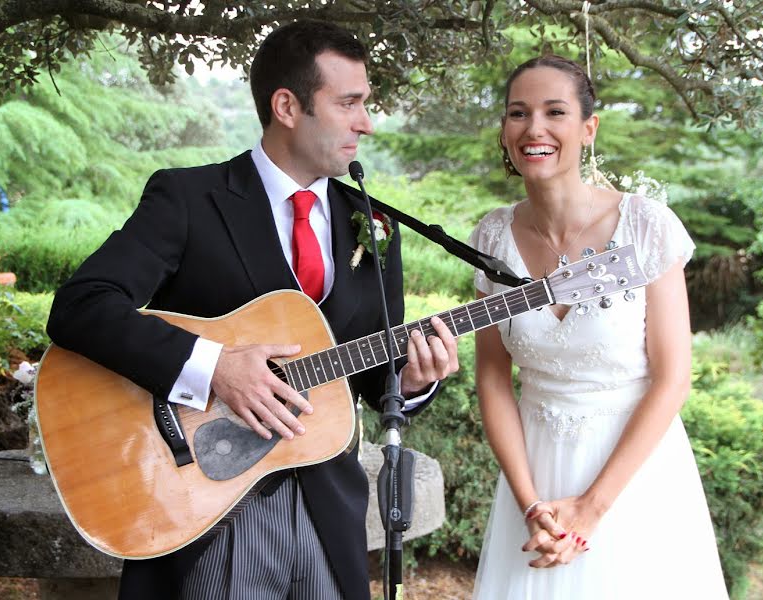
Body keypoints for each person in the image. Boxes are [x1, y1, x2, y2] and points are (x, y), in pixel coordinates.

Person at [46, 20, 458, 600]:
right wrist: (212, 365)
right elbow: (79, 307)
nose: (366, 122)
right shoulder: (188, 198)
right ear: (287, 106)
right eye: (349, 103)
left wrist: (411, 382)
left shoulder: (375, 224)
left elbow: (369, 377)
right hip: (209, 512)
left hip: (328, 515)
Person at [468, 55, 728, 599]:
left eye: (554, 111)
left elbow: (673, 377)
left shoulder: (645, 225)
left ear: (588, 129)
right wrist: (530, 503)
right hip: (534, 472)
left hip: (634, 474)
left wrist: (591, 509)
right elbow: (493, 379)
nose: (533, 128)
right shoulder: (491, 236)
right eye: (518, 113)